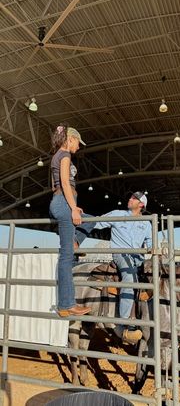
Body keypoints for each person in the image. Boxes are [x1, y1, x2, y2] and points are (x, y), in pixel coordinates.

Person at [76, 192, 152, 343]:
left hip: (139, 258)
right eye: (130, 197)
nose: (129, 199)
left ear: (141, 205)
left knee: (156, 278)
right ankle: (124, 324)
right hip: (121, 255)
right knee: (129, 278)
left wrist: (153, 253)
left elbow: (150, 242)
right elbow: (97, 222)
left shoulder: (146, 223)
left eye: (133, 199)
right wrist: (82, 215)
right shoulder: (117, 214)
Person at [49, 124, 91, 317]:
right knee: (66, 257)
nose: (79, 147)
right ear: (71, 139)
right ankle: (67, 304)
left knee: (90, 220)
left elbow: (54, 185)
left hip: (61, 201)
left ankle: (75, 242)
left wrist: (71, 205)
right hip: (65, 203)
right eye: (78, 143)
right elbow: (65, 182)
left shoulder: (55, 156)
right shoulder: (65, 155)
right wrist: (72, 207)